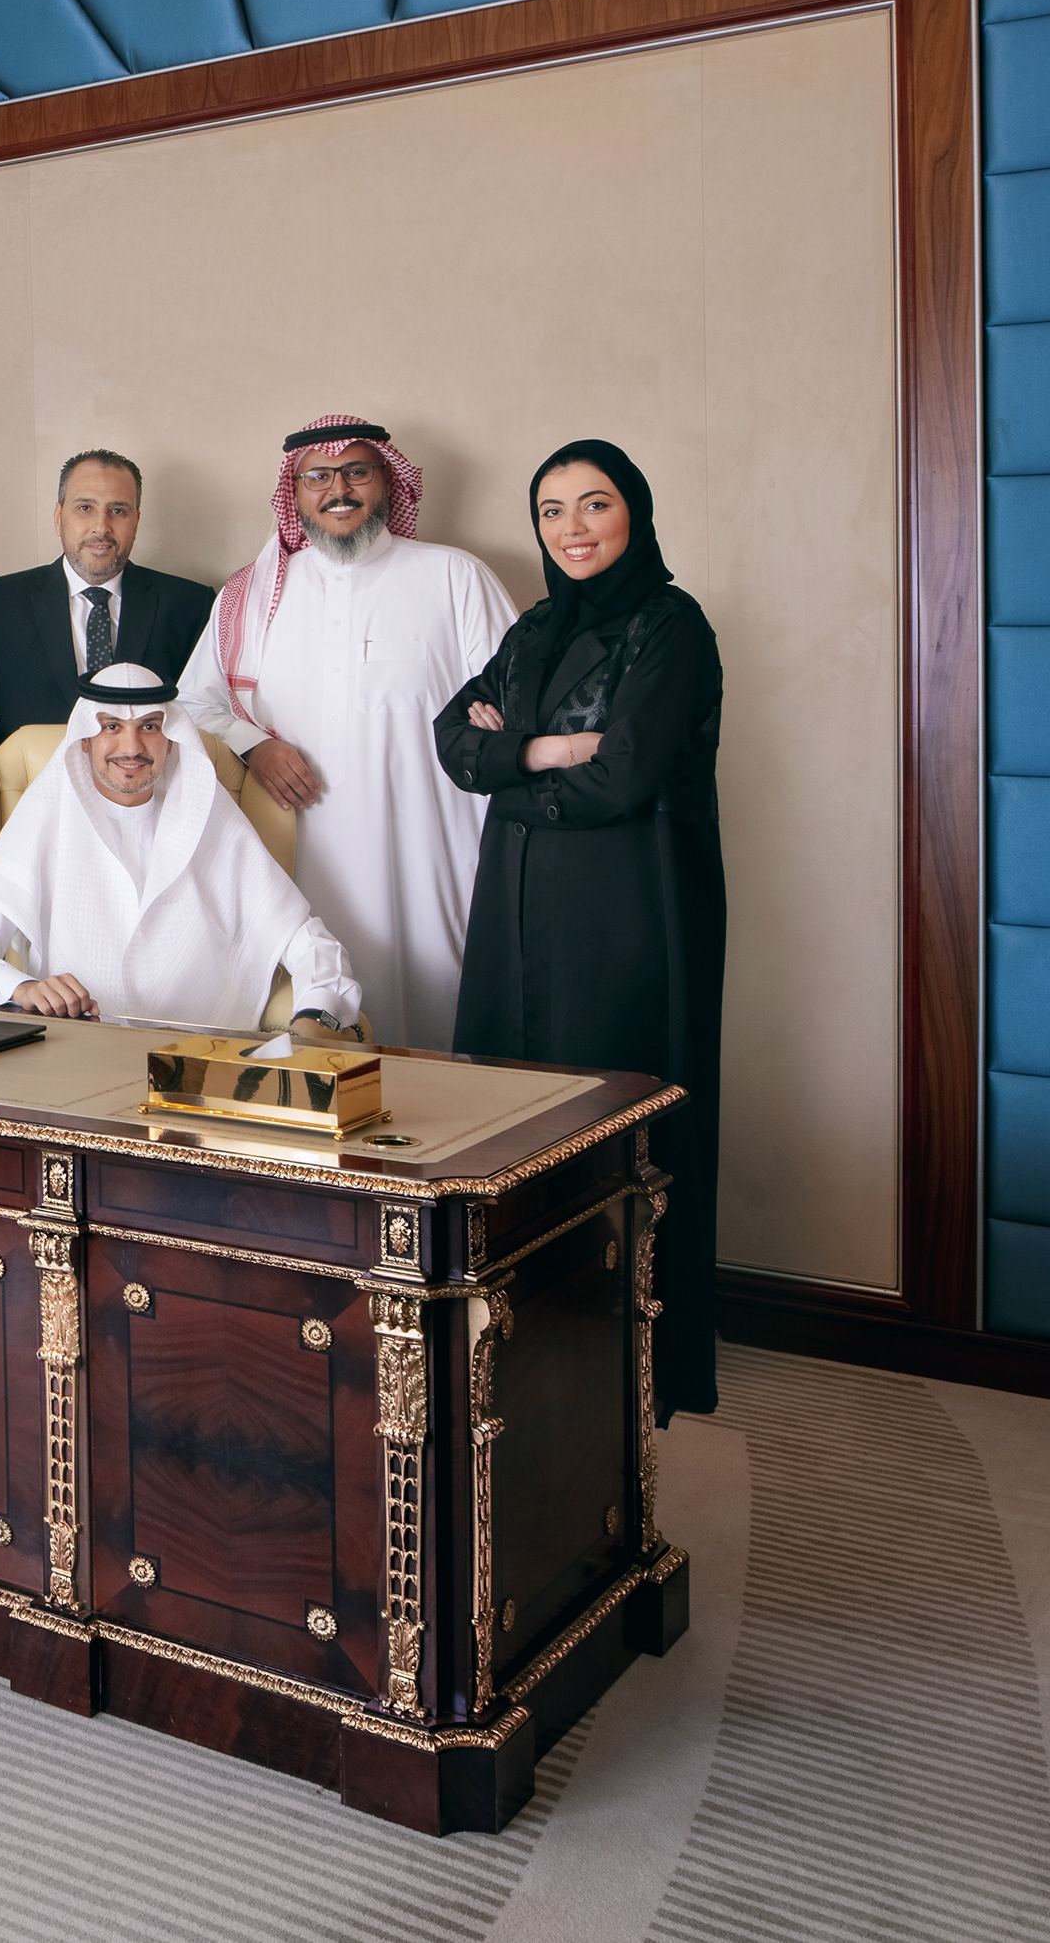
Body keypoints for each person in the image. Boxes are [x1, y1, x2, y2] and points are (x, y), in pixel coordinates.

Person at [436, 439, 726, 1424]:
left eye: (594, 504)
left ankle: (632, 1352)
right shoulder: (533, 627)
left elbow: (626, 777)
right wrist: (548, 750)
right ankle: (533, 1332)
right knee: (513, 1105)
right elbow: (451, 741)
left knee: (608, 1111)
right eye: (552, 510)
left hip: (629, 905)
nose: (573, 528)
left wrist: (507, 761)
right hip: (517, 902)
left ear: (633, 511)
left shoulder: (671, 625)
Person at [173, 414, 511, 1049]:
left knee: (446, 1025)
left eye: (357, 472)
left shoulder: (453, 577)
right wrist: (255, 746)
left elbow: (511, 705)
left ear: (387, 481)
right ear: (293, 492)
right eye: (318, 477)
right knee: (319, 1016)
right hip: (303, 856)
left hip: (430, 858)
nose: (339, 490)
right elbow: (194, 701)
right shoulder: (252, 596)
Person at [0, 665, 359, 1035]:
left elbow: (312, 945)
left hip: (200, 1055)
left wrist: (316, 1019)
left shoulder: (209, 816)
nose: (132, 747)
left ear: (171, 739)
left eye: (150, 727)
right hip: (80, 1053)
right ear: (84, 740)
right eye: (111, 727)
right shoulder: (46, 816)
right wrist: (23, 988)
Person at [0, 449, 216, 793]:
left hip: (153, 802)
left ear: (136, 521)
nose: (101, 527)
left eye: (118, 511)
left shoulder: (190, 604)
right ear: (58, 517)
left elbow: (207, 712)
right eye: (85, 508)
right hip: (37, 798)